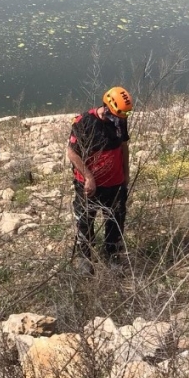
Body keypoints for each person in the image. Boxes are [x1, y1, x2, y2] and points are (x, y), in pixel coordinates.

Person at [66, 86, 133, 272]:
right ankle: (84, 257)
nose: (120, 119)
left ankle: (112, 255)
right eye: (117, 115)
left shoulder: (120, 120)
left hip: (116, 183)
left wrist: (126, 173)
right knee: (85, 218)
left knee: (116, 219)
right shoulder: (84, 122)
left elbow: (124, 146)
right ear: (107, 107)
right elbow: (72, 153)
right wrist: (89, 177)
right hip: (89, 185)